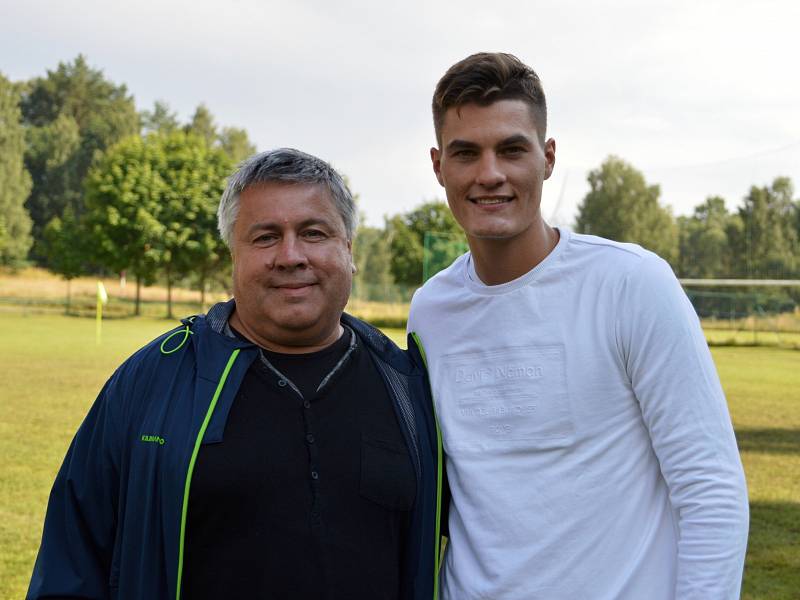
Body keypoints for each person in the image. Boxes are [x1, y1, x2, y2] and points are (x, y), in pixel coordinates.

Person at [28, 148, 444, 600]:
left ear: (348, 249)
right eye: (265, 237)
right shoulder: (150, 383)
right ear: (233, 256)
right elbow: (72, 560)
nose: (290, 255)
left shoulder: (407, 386)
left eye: (313, 232)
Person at [407, 52, 749, 599]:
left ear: (547, 157)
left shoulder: (630, 284)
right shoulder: (430, 309)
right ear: (438, 165)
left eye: (511, 149)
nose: (489, 174)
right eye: (466, 153)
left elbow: (710, 488)